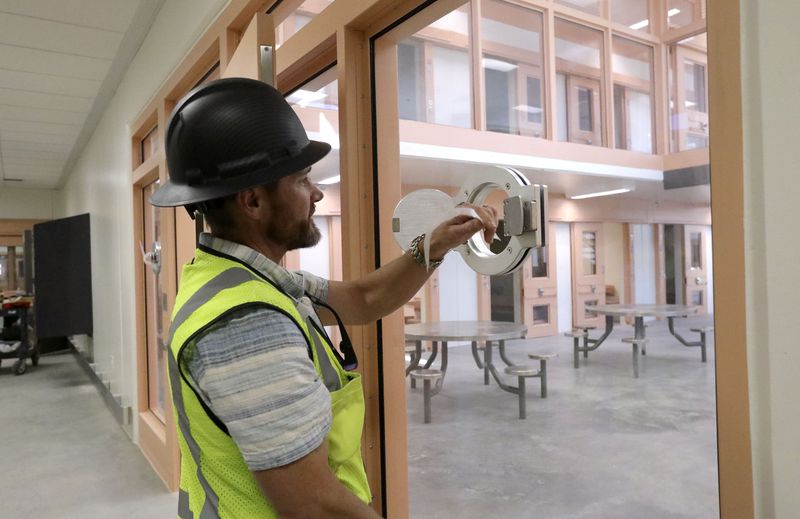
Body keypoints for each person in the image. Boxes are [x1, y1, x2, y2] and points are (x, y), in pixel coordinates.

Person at [150, 77, 496, 519]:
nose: (317, 193)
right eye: (302, 179)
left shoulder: (242, 277)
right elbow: (314, 506)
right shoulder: (246, 322)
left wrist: (433, 246)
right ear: (253, 201)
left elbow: (362, 298)